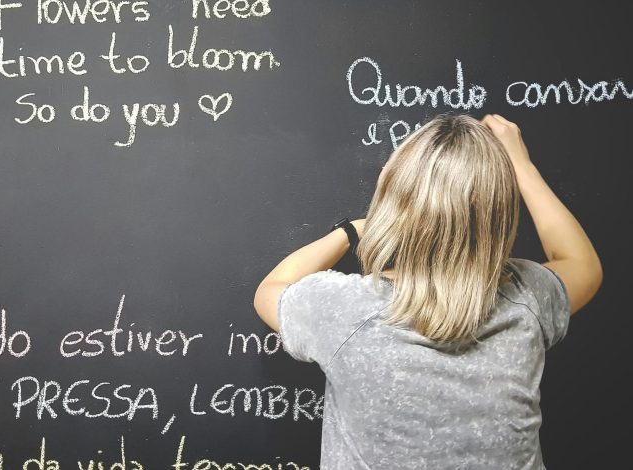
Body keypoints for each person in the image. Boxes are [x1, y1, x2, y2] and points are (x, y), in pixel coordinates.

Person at [252, 113, 602, 469]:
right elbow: (580, 262)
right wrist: (521, 165)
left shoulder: (347, 310)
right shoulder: (526, 297)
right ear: (499, 214)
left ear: (392, 200)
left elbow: (270, 290)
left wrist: (350, 232)